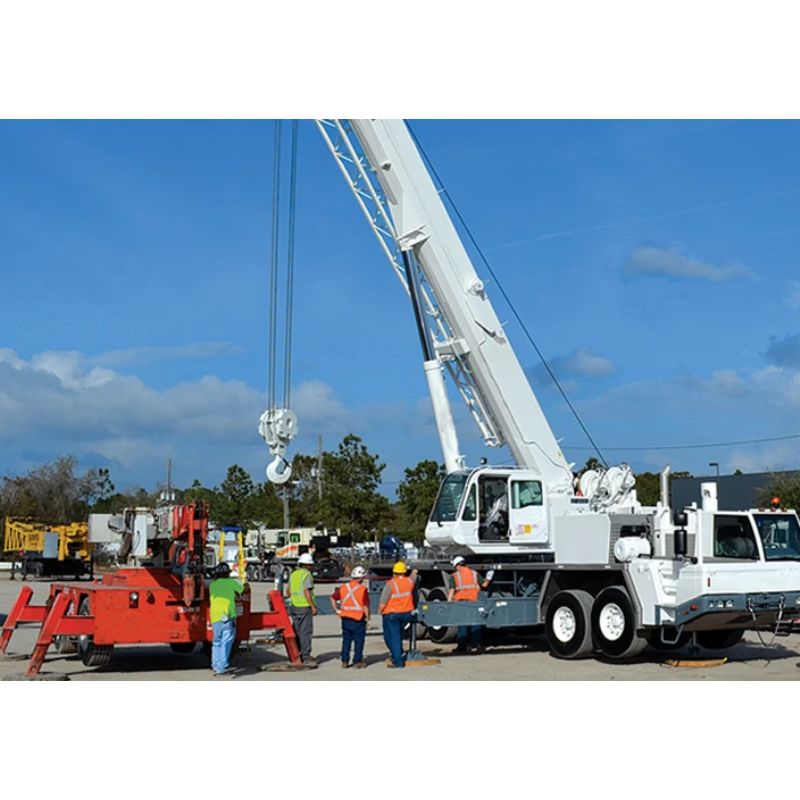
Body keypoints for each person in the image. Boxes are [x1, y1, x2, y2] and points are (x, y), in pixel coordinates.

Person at [447, 556, 493, 654]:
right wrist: (489, 578)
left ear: (457, 565)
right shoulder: (474, 573)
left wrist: (449, 601)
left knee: (463, 624)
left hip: (462, 603)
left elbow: (452, 590)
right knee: (476, 624)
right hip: (474, 602)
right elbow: (484, 585)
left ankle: (462, 647)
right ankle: (478, 646)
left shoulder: (454, 576)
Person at [209, 562, 246, 676]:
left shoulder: (212, 585)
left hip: (215, 616)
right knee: (226, 642)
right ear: (227, 574)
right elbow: (242, 590)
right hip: (227, 615)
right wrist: (246, 585)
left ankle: (215, 666)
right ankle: (222, 668)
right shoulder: (231, 583)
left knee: (216, 642)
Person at [378, 561, 417, 669]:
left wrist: (380, 611)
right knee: (397, 636)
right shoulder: (409, 581)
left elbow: (383, 600)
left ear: (394, 572)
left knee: (391, 637)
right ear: (404, 572)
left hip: (392, 614)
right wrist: (414, 571)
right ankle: (398, 654)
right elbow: (413, 577)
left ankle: (398, 661)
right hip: (406, 613)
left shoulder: (390, 584)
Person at [330, 565, 370, 669]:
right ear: (361, 578)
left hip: (345, 618)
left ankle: (345, 661)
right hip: (358, 619)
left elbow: (333, 598)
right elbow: (365, 606)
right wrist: (368, 618)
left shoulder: (343, 587)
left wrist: (336, 610)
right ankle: (357, 661)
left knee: (346, 641)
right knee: (359, 641)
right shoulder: (362, 589)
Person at [286, 552, 318, 664]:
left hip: (294, 606)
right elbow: (306, 591)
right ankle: (305, 655)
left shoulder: (293, 574)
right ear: (307, 565)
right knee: (305, 632)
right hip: (304, 606)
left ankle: (296, 653)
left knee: (296, 631)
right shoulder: (307, 575)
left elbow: (288, 592)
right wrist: (313, 606)